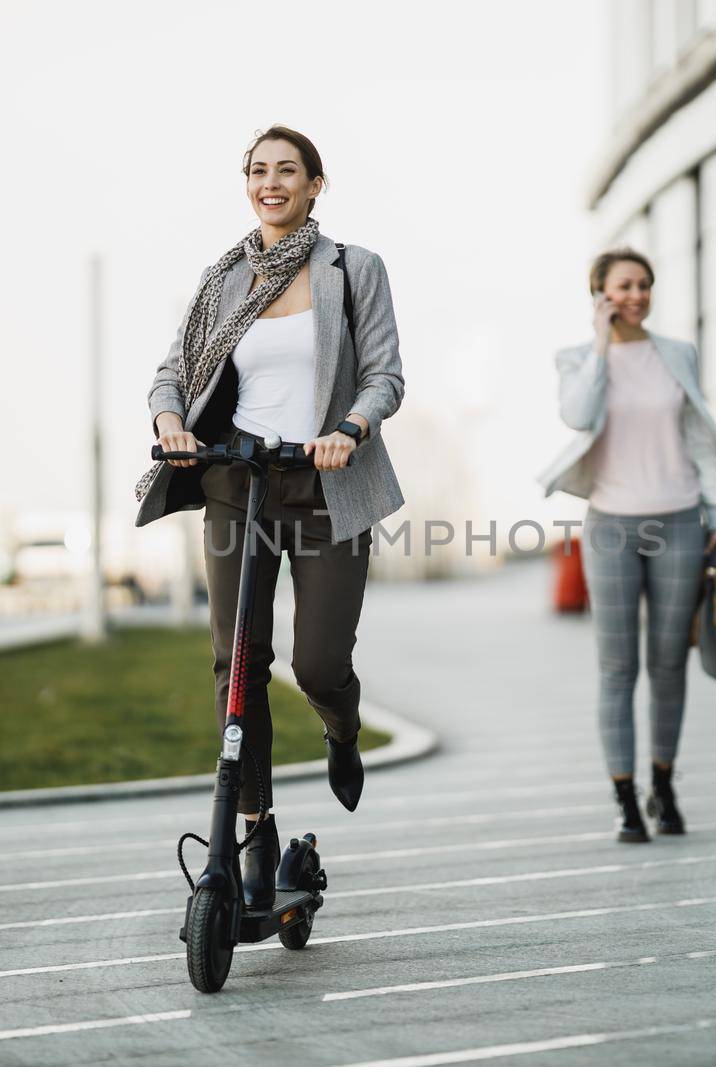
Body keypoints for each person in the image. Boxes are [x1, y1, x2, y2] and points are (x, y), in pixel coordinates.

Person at [136, 125, 405, 906]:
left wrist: (349, 429)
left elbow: (384, 374)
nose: (271, 182)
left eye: (288, 170)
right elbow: (172, 371)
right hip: (236, 479)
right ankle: (255, 830)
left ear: (316, 185)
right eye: (258, 170)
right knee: (238, 665)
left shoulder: (353, 269)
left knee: (317, 663)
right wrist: (170, 424)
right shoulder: (223, 279)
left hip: (326, 484)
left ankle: (342, 729)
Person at [538, 248, 716, 842]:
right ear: (599, 293)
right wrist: (601, 345)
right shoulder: (576, 358)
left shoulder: (677, 353)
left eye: (645, 285)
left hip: (680, 520)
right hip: (612, 527)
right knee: (617, 668)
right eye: (624, 286)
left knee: (669, 663)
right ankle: (625, 797)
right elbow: (578, 416)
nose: (637, 295)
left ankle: (664, 784)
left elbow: (699, 436)